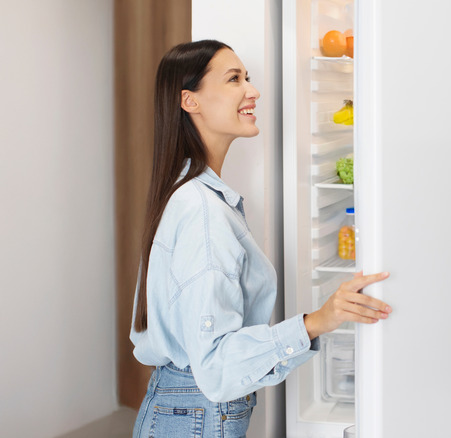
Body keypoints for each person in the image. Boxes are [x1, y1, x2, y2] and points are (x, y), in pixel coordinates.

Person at [130, 39, 391, 438]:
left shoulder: (192, 195)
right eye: (234, 79)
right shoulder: (202, 211)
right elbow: (216, 367)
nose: (252, 90)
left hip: (184, 410)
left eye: (247, 78)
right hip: (196, 415)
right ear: (190, 101)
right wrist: (318, 321)